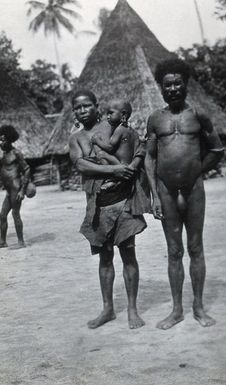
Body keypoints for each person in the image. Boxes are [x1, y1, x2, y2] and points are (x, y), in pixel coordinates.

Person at [145, 59, 224, 330]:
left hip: (194, 190)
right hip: (166, 191)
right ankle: (176, 310)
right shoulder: (155, 119)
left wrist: (195, 171)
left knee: (195, 247)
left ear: (186, 85)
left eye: (178, 83)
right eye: (168, 85)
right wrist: (154, 195)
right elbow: (149, 159)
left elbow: (217, 150)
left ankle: (198, 307)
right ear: (161, 88)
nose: (174, 88)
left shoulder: (198, 116)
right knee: (174, 250)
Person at [69, 89, 148, 329]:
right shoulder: (76, 138)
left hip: (123, 200)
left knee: (128, 254)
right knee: (104, 257)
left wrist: (130, 165)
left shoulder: (113, 126)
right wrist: (114, 170)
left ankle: (132, 310)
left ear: (96, 106)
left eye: (86, 106)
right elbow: (81, 164)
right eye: (77, 108)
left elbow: (138, 148)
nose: (82, 111)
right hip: (98, 204)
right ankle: (108, 309)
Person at [91, 99, 140, 193]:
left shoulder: (119, 130)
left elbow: (109, 147)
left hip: (121, 166)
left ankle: (113, 179)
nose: (107, 117)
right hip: (130, 166)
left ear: (123, 115)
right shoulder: (133, 132)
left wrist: (97, 140)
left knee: (101, 154)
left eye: (111, 113)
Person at [0, 125, 30, 248]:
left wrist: (22, 190)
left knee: (15, 213)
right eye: (0, 140)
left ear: (10, 140)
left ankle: (21, 242)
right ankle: (2, 242)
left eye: (3, 140)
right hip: (8, 190)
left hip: (16, 188)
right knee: (2, 215)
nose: (1, 142)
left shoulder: (16, 153)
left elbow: (27, 169)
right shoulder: (2, 156)